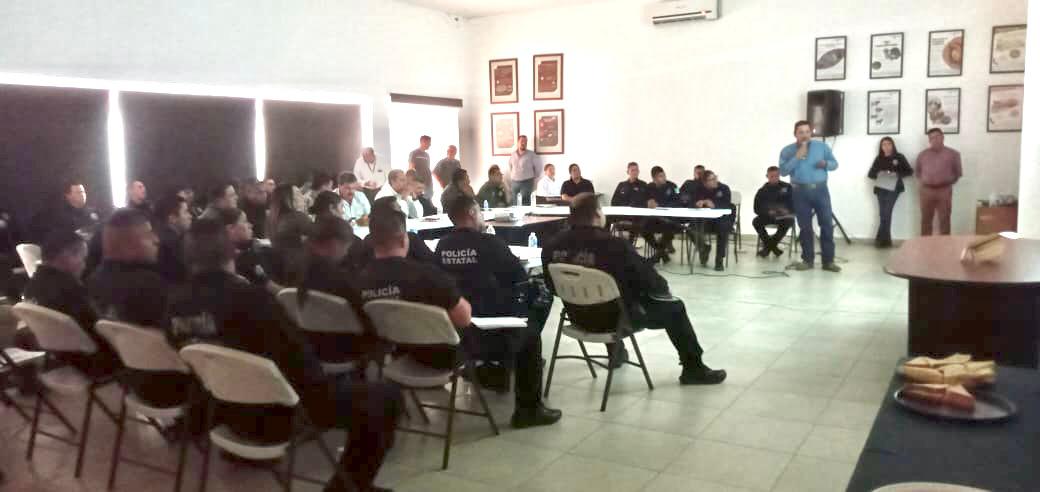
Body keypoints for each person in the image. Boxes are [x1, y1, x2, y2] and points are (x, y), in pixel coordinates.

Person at [166, 217, 402, 492]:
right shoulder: (253, 300)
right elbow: (300, 363)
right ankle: (348, 488)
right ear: (231, 252)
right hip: (279, 414)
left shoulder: (175, 306)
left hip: (222, 412)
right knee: (385, 397)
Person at [354, 197, 561, 428]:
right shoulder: (425, 275)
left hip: (403, 354)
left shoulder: (359, 282)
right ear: (404, 239)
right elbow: (464, 317)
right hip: (449, 353)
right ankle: (528, 411)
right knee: (529, 335)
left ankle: (493, 372)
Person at [542, 194, 726, 385]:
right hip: (617, 321)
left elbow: (551, 287)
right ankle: (693, 369)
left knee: (601, 298)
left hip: (577, 318)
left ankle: (616, 352)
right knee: (675, 308)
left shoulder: (551, 245)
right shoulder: (614, 245)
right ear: (597, 214)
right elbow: (653, 283)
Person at [87, 208, 193, 407]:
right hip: (174, 386)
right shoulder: (149, 286)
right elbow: (183, 335)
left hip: (131, 379)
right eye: (148, 235)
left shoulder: (94, 281)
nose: (156, 240)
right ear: (126, 245)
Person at [21, 229, 119, 378]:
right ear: (66, 256)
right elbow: (100, 330)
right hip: (97, 363)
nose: (84, 265)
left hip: (63, 359)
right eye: (82, 258)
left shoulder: (30, 288)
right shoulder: (70, 290)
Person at [296, 216, 371, 366]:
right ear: (334, 244)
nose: (347, 253)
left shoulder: (298, 271)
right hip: (345, 348)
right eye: (346, 247)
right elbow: (365, 319)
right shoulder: (339, 280)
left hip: (312, 344)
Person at [779, 120, 840, 272]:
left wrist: (826, 164)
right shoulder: (787, 151)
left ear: (811, 132)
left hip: (820, 190)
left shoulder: (822, 147)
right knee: (805, 227)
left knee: (826, 224)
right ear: (795, 134)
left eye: (807, 132)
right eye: (801, 132)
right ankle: (807, 260)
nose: (805, 135)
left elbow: (835, 164)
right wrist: (797, 157)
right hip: (800, 192)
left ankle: (828, 261)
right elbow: (783, 171)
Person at [344, 198, 436, 271]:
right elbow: (433, 262)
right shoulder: (410, 238)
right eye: (398, 210)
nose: (403, 213)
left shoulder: (367, 240)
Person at [915, 128, 962, 236]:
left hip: (944, 190)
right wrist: (927, 181)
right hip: (926, 191)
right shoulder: (922, 155)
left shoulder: (953, 154)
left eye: (937, 137)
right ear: (929, 140)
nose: (934, 140)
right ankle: (925, 243)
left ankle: (945, 243)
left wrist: (945, 182)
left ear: (943, 137)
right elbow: (917, 172)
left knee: (945, 219)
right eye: (931, 138)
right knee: (926, 219)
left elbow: (958, 173)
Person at [868, 137, 914, 247]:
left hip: (894, 188)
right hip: (881, 188)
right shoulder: (878, 158)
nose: (886, 146)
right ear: (881, 147)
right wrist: (879, 173)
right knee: (882, 214)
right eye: (884, 144)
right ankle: (884, 240)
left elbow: (909, 171)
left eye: (889, 144)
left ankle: (883, 240)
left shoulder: (899, 157)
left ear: (893, 145)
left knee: (887, 213)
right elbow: (871, 174)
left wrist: (896, 174)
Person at [265, 184, 312, 285]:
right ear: (290, 200)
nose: (303, 197)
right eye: (299, 194)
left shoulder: (271, 219)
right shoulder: (299, 218)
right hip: (301, 272)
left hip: (279, 273)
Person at [29, 181, 101, 244]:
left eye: (83, 192)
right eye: (78, 192)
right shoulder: (61, 216)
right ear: (68, 196)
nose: (82, 195)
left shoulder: (92, 211)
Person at [689, 170, 734, 271]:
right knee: (689, 228)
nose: (715, 181)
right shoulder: (699, 189)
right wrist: (696, 204)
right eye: (712, 179)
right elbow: (690, 202)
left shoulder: (724, 188)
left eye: (715, 178)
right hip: (705, 221)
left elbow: (728, 205)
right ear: (705, 183)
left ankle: (719, 260)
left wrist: (714, 205)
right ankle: (703, 248)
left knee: (723, 228)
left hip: (721, 220)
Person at [752, 166, 795, 258]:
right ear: (767, 176)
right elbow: (756, 208)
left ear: (779, 175)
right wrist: (767, 212)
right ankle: (773, 248)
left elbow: (794, 204)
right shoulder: (762, 190)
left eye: (776, 176)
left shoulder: (787, 187)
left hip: (784, 216)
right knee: (756, 222)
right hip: (768, 215)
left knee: (789, 221)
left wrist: (787, 210)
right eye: (772, 176)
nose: (774, 178)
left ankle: (768, 248)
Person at [644, 166, 682, 264]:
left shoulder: (674, 186)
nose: (664, 178)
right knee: (643, 228)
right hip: (654, 218)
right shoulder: (648, 187)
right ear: (654, 179)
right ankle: (662, 253)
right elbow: (641, 200)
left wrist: (660, 204)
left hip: (670, 218)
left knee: (670, 228)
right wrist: (647, 203)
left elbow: (680, 201)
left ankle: (657, 256)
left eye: (664, 175)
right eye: (661, 176)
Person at [153, 194, 193, 283]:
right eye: (186, 212)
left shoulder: (159, 236)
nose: (190, 216)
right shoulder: (172, 244)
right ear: (172, 218)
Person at [610, 162, 649, 243]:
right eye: (632, 170)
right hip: (622, 215)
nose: (635, 172)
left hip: (637, 216)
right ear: (628, 172)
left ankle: (629, 245)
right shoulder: (621, 185)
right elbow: (614, 201)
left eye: (636, 170)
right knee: (606, 219)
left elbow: (646, 202)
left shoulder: (643, 185)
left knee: (639, 223)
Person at [507, 135, 541, 205]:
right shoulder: (513, 154)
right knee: (515, 202)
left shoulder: (531, 154)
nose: (524, 143)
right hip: (514, 182)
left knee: (525, 202)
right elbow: (510, 166)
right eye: (522, 141)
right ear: (518, 142)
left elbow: (538, 167)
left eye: (525, 141)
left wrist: (532, 177)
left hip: (527, 182)